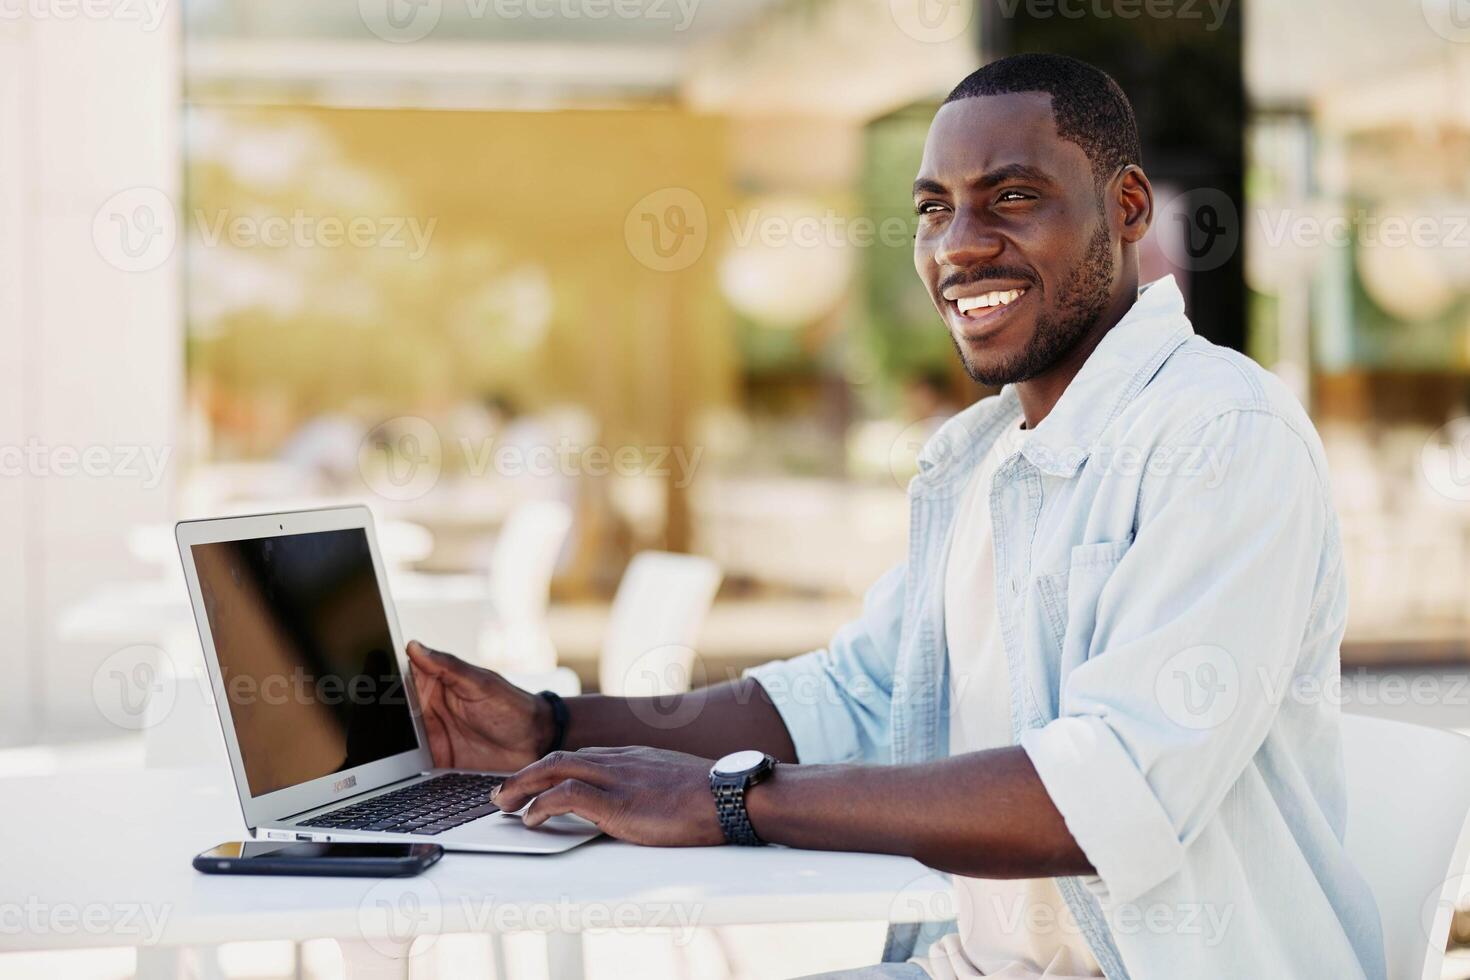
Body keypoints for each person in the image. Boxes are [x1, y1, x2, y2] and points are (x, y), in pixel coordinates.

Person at [405, 54, 1386, 979]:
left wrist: (730, 801)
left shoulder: (1220, 433)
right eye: (932, 209)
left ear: (1127, 207)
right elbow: (862, 695)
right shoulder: (990, 459)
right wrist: (550, 723)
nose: (959, 244)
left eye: (1012, 197)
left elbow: (1106, 793)